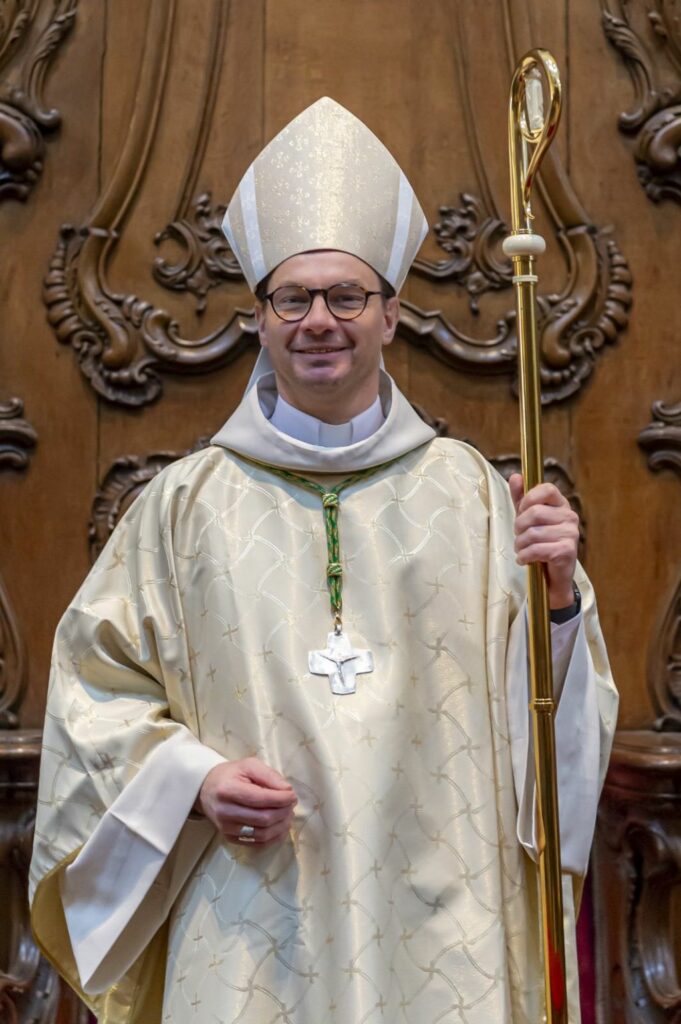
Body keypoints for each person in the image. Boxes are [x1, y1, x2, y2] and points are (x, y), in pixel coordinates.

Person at [29, 97, 617, 1024]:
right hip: (250, 919)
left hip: (441, 919)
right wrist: (194, 781)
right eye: (292, 298)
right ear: (259, 320)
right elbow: (93, 694)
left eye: (347, 297)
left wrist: (556, 601)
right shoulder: (183, 506)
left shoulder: (472, 496)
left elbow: (544, 727)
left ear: (390, 316)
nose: (319, 321)